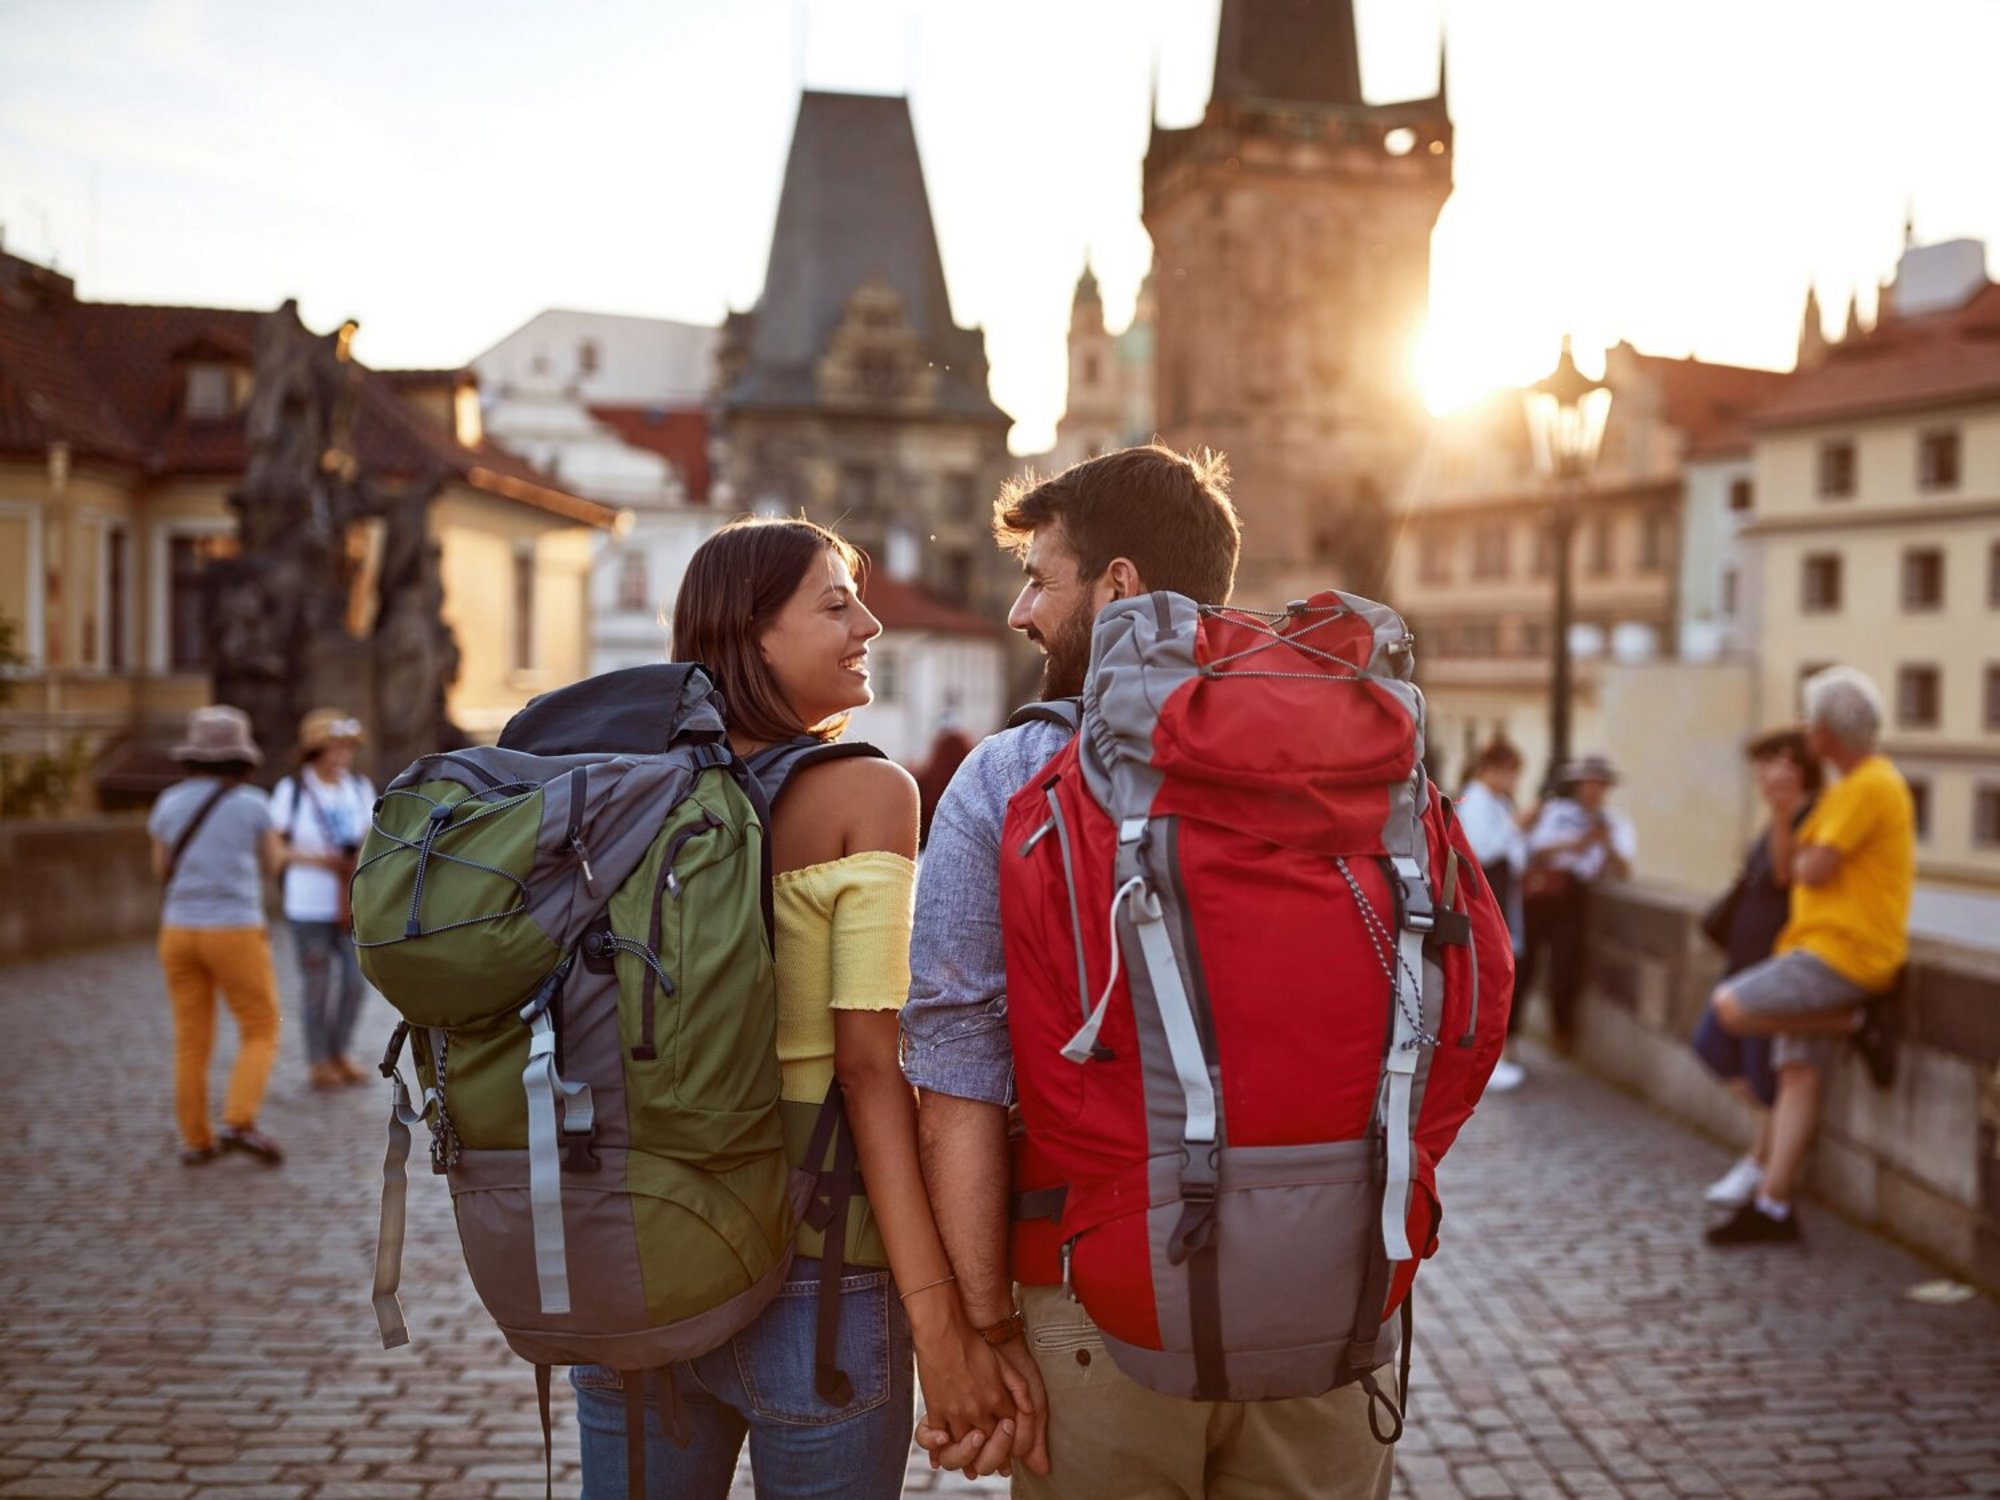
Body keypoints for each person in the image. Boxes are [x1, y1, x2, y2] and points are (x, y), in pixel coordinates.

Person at [902, 444, 1395, 1498]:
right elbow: (1445, 1016)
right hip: (1333, 1291)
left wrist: (984, 1321)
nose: (1018, 613)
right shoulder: (1347, 757)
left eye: (1039, 577)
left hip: (1100, 1301)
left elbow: (955, 1072)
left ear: (1117, 585)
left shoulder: (1009, 775)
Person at [570, 517, 1024, 1499]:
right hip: (817, 1286)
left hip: (635, 1265)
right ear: (750, 630)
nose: (867, 623)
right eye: (833, 603)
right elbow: (869, 1075)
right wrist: (943, 1322)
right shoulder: (865, 791)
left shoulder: (618, 792)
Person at [1706, 668, 1915, 1246]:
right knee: (1797, 1076)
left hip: (1841, 956)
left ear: (1825, 730)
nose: (1803, 728)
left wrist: (1806, 847)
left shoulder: (1868, 784)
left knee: (1731, 1006)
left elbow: (1811, 868)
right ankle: (1773, 1206)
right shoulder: (1849, 788)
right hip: (1821, 947)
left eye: (1809, 719)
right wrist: (1784, 811)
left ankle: (1857, 1020)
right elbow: (1785, 866)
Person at [148, 705, 286, 1166]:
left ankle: (196, 1138)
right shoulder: (253, 805)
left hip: (178, 929)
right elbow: (272, 865)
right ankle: (239, 1119)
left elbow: (160, 869)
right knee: (261, 1026)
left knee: (191, 1039)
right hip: (234, 930)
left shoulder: (168, 802)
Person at [1691, 727, 1823, 1210]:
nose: (1767, 773)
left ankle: (1758, 1162)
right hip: (1745, 958)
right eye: (1765, 762)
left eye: (1777, 761)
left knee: (1760, 1070)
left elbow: (1788, 877)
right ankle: (1760, 1152)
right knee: (1711, 1044)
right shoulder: (1777, 818)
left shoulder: (1808, 814)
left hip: (1774, 962)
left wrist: (1784, 810)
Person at [270, 708, 375, 1089]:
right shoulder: (292, 791)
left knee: (353, 982)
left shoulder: (360, 788)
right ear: (315, 751)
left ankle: (340, 1052)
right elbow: (276, 851)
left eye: (347, 748)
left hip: (349, 903)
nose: (342, 756)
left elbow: (371, 838)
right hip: (308, 903)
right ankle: (318, 1061)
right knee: (317, 983)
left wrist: (353, 860)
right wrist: (319, 860)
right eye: (335, 748)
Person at [1519, 755, 1636, 1052]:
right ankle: (1511, 1032)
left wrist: (1604, 843)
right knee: (1524, 964)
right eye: (1587, 783)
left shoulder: (1615, 823)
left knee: (1566, 967)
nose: (1592, 790)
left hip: (1578, 896)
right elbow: (1534, 848)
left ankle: (1561, 1029)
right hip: (1544, 892)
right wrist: (1577, 844)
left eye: (1598, 784)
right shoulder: (1558, 812)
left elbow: (1624, 870)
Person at [1456, 737, 1531, 1091]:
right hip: (1484, 900)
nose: (1514, 783)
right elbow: (1481, 849)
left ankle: (1491, 1058)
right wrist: (1517, 824)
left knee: (1496, 978)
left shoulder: (1495, 803)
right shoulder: (1475, 801)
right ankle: (1487, 1062)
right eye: (1511, 774)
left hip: (1500, 897)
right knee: (1487, 980)